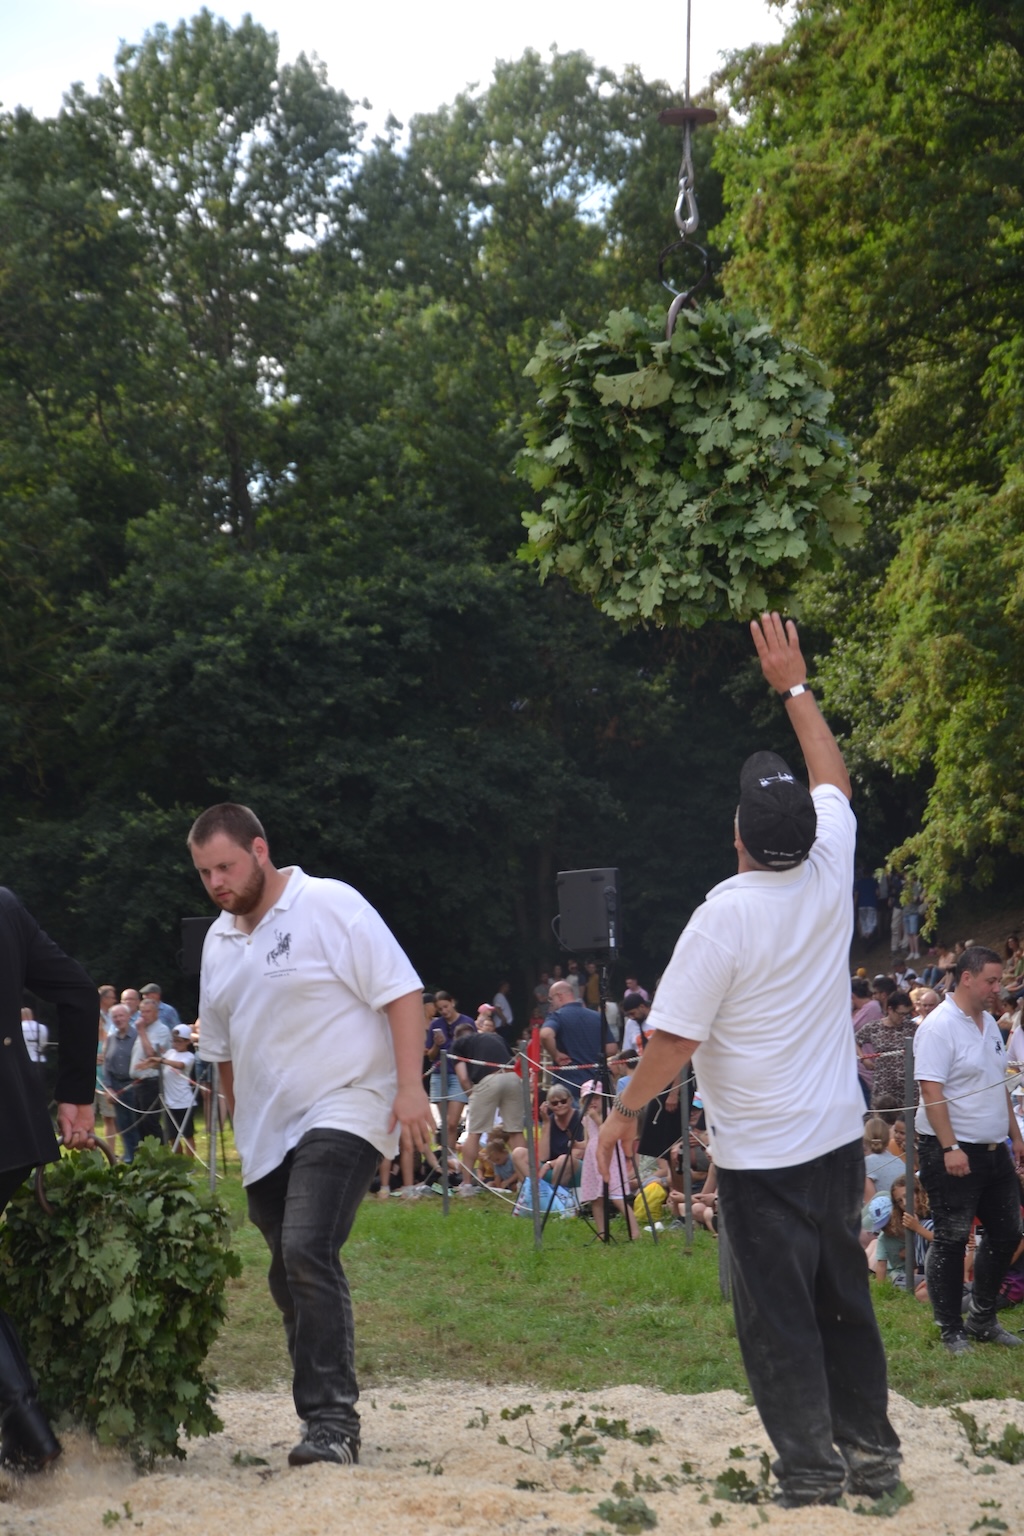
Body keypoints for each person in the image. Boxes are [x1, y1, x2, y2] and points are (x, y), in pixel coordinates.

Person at [597, 612, 901, 1509]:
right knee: (844, 1301)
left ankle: (811, 1474)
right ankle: (873, 1460)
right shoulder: (829, 869)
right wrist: (794, 686)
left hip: (763, 1156)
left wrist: (623, 1113)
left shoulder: (722, 919)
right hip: (835, 1139)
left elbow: (673, 1043)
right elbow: (834, 777)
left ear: (738, 836)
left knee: (778, 1322)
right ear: (803, 834)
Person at [188, 803, 433, 1468]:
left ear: (259, 850)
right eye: (205, 872)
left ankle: (332, 1424)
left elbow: (401, 992)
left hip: (349, 1102)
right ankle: (319, 1417)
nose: (216, 882)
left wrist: (410, 1087)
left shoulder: (328, 904)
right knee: (286, 1270)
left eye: (225, 866)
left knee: (305, 1247)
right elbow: (222, 1047)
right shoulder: (218, 942)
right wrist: (238, 1116)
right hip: (267, 1129)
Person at [0, 886, 97, 1470]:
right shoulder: (4, 905)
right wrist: (75, 1093)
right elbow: (80, 991)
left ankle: (29, 1434)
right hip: (16, 1126)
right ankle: (25, 1435)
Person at [913, 944, 1024, 1354]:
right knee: (952, 1237)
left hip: (994, 1148)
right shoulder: (938, 1026)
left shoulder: (990, 1024)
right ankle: (950, 1329)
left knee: (1007, 1231)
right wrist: (950, 1147)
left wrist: (1015, 1136)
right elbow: (931, 1091)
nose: (998, 988)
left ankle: (981, 1318)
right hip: (953, 1150)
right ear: (966, 978)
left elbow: (999, 1085)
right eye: (991, 980)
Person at [540, 979, 612, 1099]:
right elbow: (611, 1048)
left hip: (567, 1084)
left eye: (551, 999)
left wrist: (556, 1054)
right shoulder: (597, 1017)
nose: (551, 1003)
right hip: (595, 1084)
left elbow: (545, 1035)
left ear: (559, 996)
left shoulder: (557, 1016)